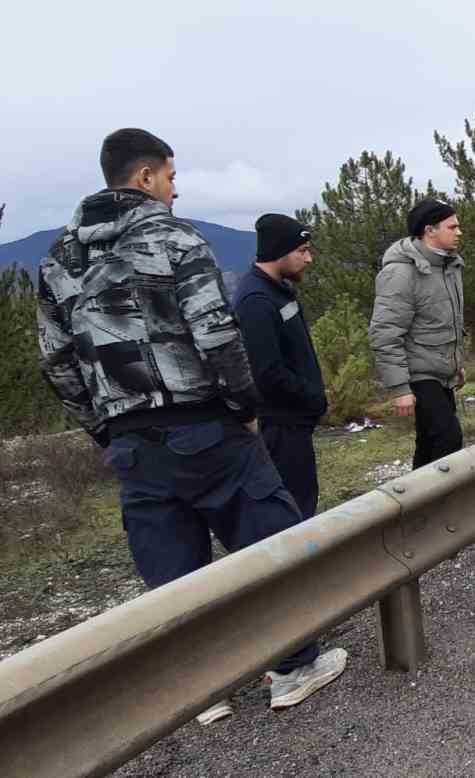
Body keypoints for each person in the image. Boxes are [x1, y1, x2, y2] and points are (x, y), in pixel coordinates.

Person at [35, 129, 346, 724]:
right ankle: (293, 667)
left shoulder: (58, 259)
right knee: (268, 539)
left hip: (130, 439)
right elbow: (213, 331)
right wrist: (241, 404)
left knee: (170, 564)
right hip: (202, 421)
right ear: (146, 177)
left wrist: (104, 429)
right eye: (171, 178)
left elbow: (56, 360)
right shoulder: (174, 238)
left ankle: (202, 690)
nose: (175, 191)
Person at [233, 214, 328, 519]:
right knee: (292, 509)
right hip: (281, 425)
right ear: (279, 251)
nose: (309, 258)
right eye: (302, 251)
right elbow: (267, 373)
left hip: (296, 421)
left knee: (303, 499)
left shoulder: (278, 290)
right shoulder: (256, 300)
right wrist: (311, 396)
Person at [369, 198, 466, 469]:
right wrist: (400, 388)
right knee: (448, 439)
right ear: (429, 230)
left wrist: (457, 365)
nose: (459, 232)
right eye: (452, 226)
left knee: (430, 442)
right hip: (419, 375)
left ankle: (419, 506)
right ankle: (438, 505)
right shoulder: (400, 273)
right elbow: (385, 333)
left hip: (440, 372)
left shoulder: (449, 266)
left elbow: (448, 323)